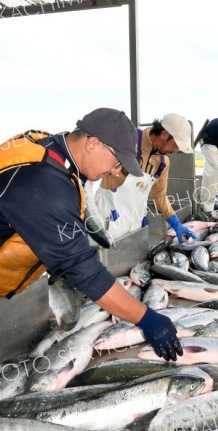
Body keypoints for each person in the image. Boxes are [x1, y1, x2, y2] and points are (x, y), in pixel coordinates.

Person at [0, 108, 182, 362]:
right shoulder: (45, 184)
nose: (117, 171)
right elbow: (84, 271)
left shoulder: (52, 151)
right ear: (94, 144)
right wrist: (147, 318)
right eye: (117, 162)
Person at [96, 113, 197, 243]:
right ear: (165, 134)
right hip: (107, 219)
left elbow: (159, 195)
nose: (176, 150)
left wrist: (175, 223)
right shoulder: (125, 141)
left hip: (134, 224)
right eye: (176, 144)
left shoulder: (163, 162)